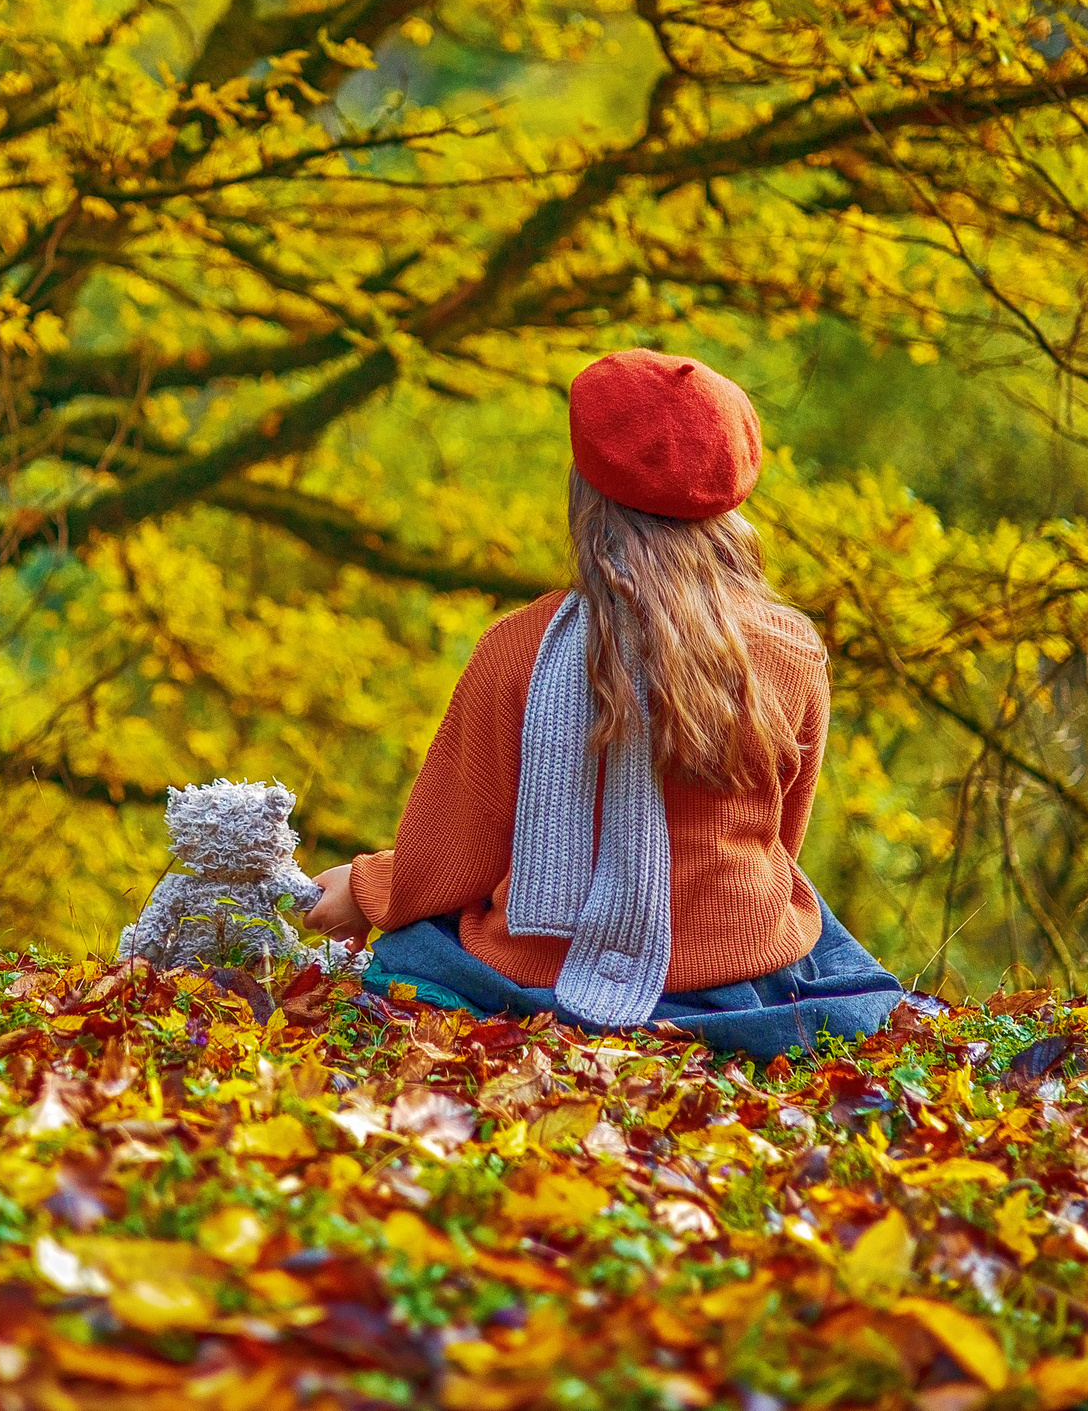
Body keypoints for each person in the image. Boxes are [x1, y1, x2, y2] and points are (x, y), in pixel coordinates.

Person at [297, 348, 903, 1056]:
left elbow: (457, 852)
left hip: (535, 979)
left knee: (412, 952)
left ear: (584, 495)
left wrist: (367, 887)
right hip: (738, 987)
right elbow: (781, 837)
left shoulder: (517, 649)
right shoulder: (790, 649)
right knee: (805, 912)